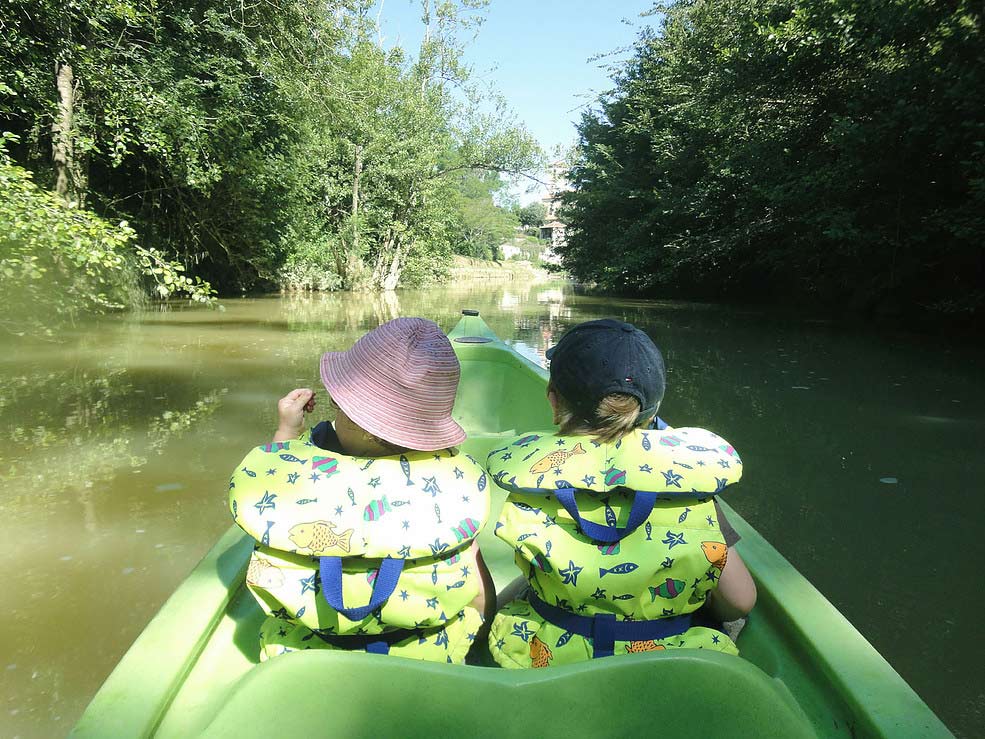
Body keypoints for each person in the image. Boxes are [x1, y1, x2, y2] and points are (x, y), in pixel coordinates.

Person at [487, 319, 756, 667]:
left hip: (546, 659)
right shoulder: (690, 488)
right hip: (672, 662)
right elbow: (741, 600)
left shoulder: (533, 484)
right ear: (653, 411)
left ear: (553, 401)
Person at [229, 317, 494, 664]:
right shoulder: (450, 487)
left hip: (300, 655)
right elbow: (477, 589)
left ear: (368, 430)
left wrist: (287, 433)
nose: (334, 409)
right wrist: (480, 639)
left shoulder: (298, 480)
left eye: (339, 404)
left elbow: (271, 481)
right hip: (428, 656)